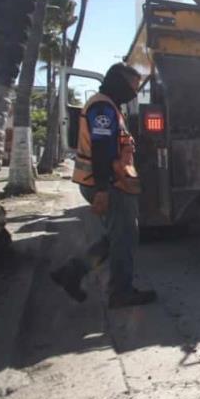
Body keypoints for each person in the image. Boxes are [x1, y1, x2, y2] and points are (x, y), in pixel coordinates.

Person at [51, 63, 157, 308]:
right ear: (118, 82)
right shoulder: (103, 108)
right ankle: (121, 292)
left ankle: (73, 272)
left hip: (111, 182)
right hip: (109, 184)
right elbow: (102, 150)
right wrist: (102, 189)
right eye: (132, 86)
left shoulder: (109, 106)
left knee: (116, 238)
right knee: (125, 238)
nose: (134, 92)